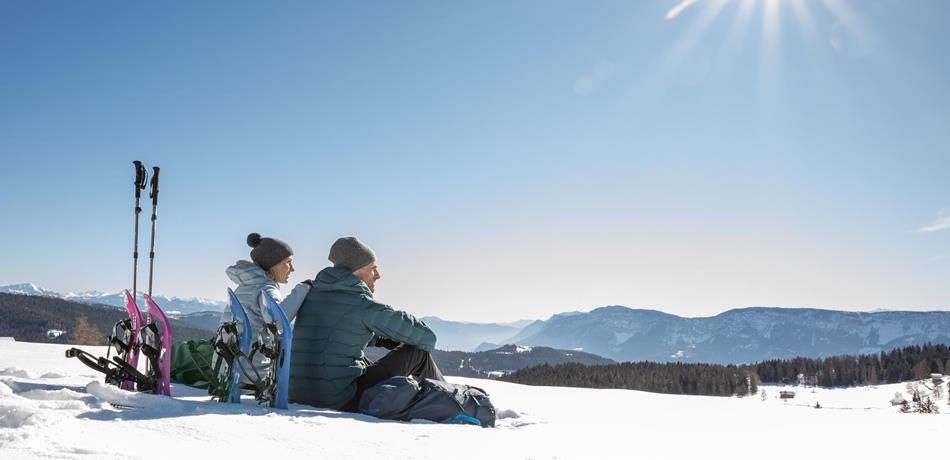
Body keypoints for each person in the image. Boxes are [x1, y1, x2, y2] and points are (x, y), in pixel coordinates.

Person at [289, 236, 444, 412]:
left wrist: (378, 340)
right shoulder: (361, 303)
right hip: (341, 399)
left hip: (297, 395)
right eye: (373, 269)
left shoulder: (311, 295)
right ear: (357, 270)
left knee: (361, 360)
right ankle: (453, 400)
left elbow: (335, 335)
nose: (378, 275)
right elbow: (427, 338)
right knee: (418, 353)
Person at [223, 232, 310, 380]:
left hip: (226, 371)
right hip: (251, 376)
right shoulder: (266, 288)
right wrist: (303, 288)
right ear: (273, 264)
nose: (292, 269)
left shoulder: (245, 287)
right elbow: (279, 322)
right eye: (288, 262)